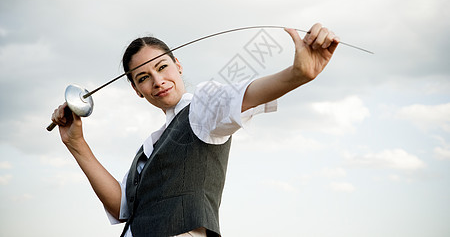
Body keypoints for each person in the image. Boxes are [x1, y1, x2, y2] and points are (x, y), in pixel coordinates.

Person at [51, 23, 339, 237]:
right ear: (137, 90)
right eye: (143, 77)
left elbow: (243, 95)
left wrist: (297, 75)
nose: (158, 80)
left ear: (178, 65)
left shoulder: (202, 108)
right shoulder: (148, 148)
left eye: (162, 67)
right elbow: (121, 208)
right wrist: (76, 143)